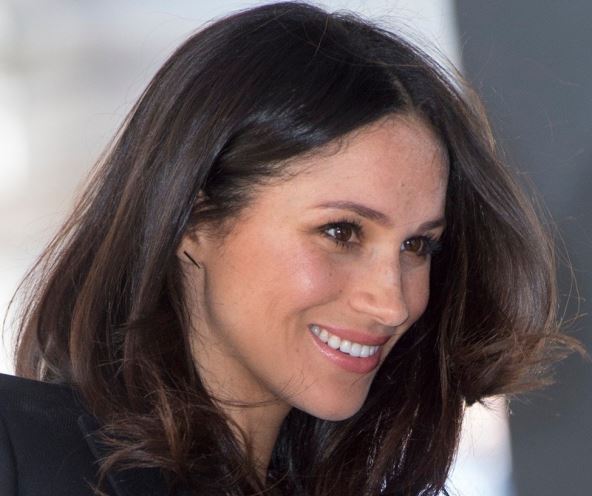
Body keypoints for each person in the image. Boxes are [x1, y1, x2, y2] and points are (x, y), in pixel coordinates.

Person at [0, 2, 577, 495]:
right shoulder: (19, 452)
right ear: (192, 219)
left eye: (418, 245)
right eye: (341, 232)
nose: (392, 303)